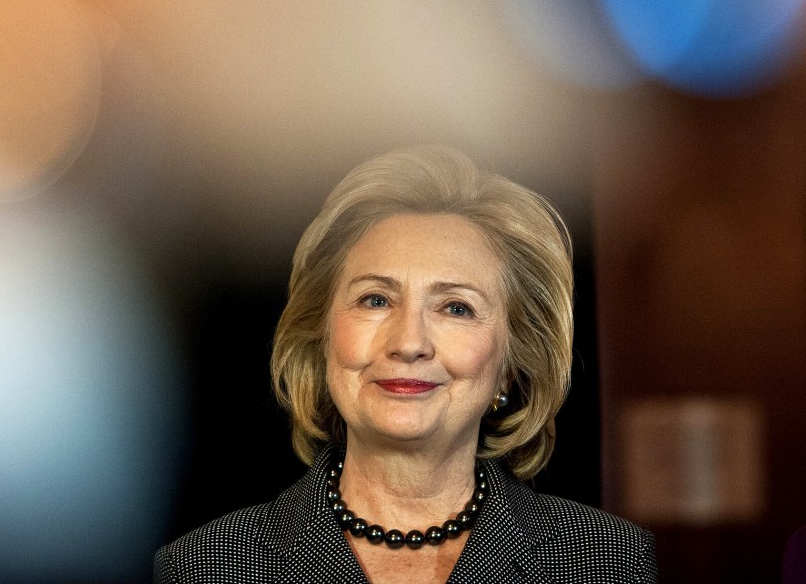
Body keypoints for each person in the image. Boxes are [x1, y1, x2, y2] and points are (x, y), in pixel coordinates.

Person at [155, 145, 657, 583]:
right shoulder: (206, 566)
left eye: (456, 308)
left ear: (511, 363)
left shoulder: (607, 562)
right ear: (322, 335)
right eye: (375, 300)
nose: (408, 342)